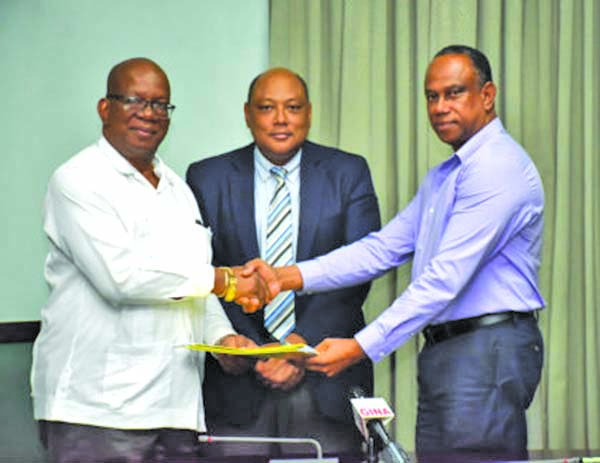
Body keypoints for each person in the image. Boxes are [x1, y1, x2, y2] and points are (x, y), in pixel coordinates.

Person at [244, 46, 545, 463]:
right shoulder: (446, 175)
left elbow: (443, 280)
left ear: (488, 95)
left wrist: (360, 347)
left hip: (486, 350)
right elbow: (382, 248)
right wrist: (284, 277)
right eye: (431, 96)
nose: (440, 107)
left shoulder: (497, 167)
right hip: (448, 351)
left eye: (454, 93)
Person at [31, 57, 272, 463]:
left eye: (161, 104)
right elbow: (122, 279)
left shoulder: (178, 188)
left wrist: (222, 340)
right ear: (105, 108)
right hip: (98, 412)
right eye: (134, 100)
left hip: (176, 409)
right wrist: (225, 280)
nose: (149, 113)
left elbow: (192, 285)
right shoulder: (78, 180)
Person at [186, 67, 381, 457]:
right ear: (247, 114)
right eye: (267, 108)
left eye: (292, 107)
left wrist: (297, 346)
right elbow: (199, 271)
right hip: (237, 383)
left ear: (309, 113)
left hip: (324, 380)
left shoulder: (348, 172)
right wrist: (247, 348)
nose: (280, 119)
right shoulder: (207, 177)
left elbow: (358, 272)